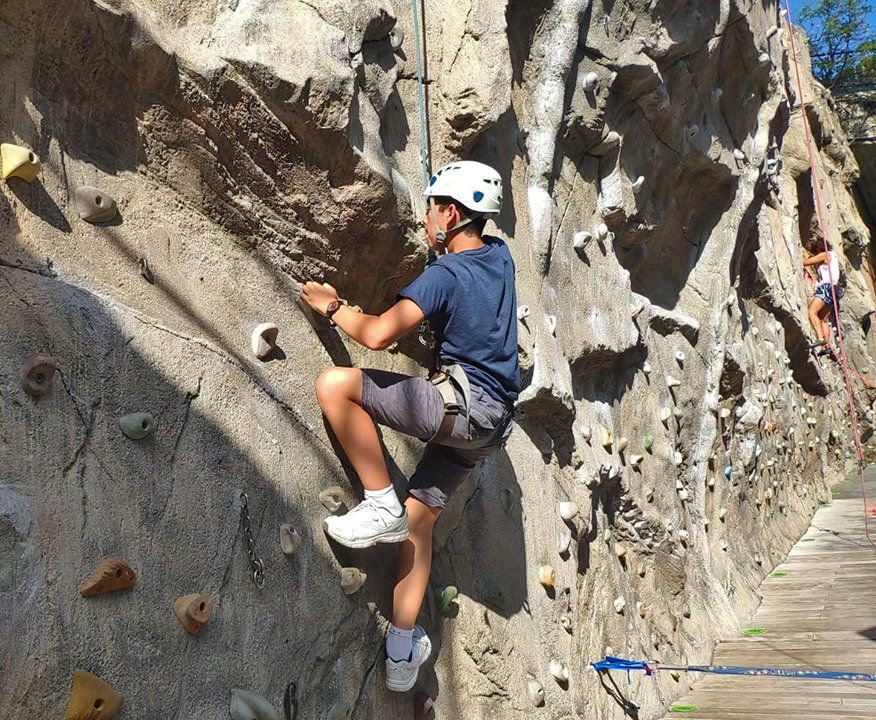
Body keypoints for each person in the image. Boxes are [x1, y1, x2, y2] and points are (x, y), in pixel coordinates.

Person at [299, 160, 519, 692]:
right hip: (489, 431)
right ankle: (402, 654)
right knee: (418, 529)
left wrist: (332, 306)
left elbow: (375, 335)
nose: (425, 219)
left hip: (460, 409)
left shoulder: (444, 275)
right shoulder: (502, 258)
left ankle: (379, 502)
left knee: (335, 385)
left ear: (449, 212)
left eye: (430, 208)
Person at [804, 244, 843, 353]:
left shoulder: (825, 254)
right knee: (823, 319)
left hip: (827, 287)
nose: (816, 252)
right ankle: (826, 347)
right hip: (834, 290)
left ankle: (820, 339)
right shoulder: (834, 258)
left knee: (812, 312)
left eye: (816, 250)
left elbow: (806, 262)